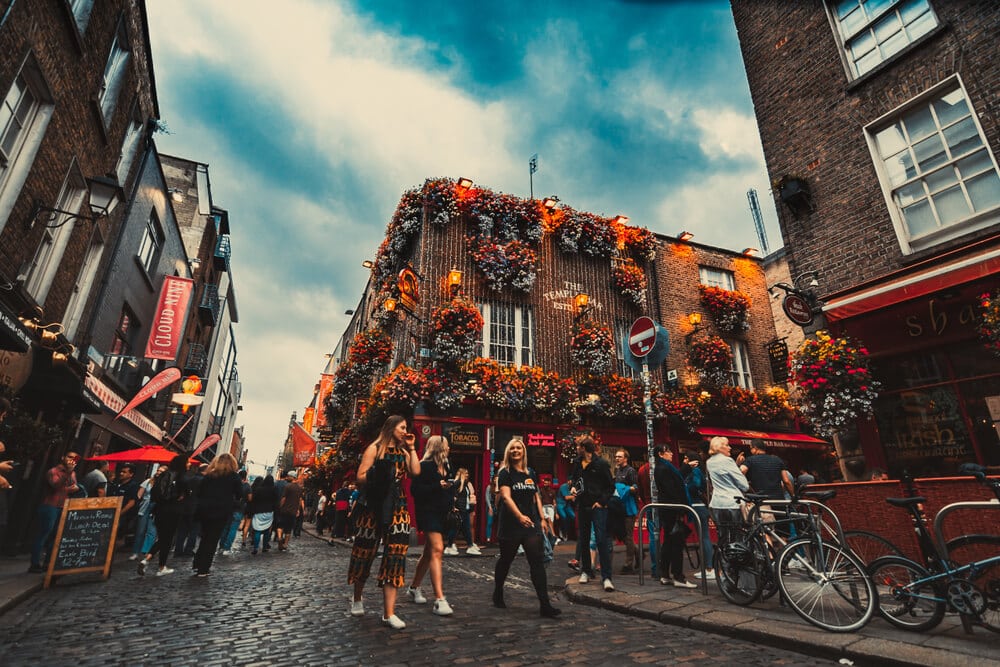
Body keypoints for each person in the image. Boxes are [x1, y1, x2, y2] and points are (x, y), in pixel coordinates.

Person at [347, 415, 421, 630]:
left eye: (406, 427)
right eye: (402, 427)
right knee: (364, 551)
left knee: (395, 555)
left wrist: (413, 448)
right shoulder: (375, 449)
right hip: (374, 504)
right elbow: (360, 476)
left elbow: (415, 472)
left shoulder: (404, 452)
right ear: (390, 427)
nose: (404, 430)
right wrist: (377, 475)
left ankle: (389, 613)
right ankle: (357, 599)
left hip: (397, 506)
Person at [492, 438, 561, 618]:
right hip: (511, 524)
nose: (515, 451)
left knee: (536, 562)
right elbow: (506, 497)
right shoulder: (505, 473)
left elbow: (536, 496)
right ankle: (498, 591)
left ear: (523, 451)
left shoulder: (531, 472)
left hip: (530, 524)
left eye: (519, 448)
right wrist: (519, 516)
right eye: (512, 448)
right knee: (506, 560)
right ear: (508, 452)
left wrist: (542, 518)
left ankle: (545, 605)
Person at [406, 435, 455, 617]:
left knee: (428, 552)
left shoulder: (448, 466)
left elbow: (448, 490)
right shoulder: (424, 465)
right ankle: (439, 599)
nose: (449, 449)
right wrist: (437, 486)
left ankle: (414, 587)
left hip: (442, 513)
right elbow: (415, 491)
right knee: (437, 549)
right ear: (439, 447)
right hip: (428, 512)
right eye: (447, 446)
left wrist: (450, 490)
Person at [573, 435, 615, 591]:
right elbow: (575, 479)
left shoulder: (601, 464)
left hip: (597, 507)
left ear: (584, 448)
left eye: (578, 446)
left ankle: (606, 577)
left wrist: (602, 502)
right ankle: (586, 571)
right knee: (583, 540)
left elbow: (610, 486)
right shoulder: (577, 463)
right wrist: (574, 487)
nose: (576, 449)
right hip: (582, 505)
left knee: (601, 540)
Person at [29, 451, 81, 573]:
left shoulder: (72, 473)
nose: (72, 460)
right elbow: (56, 485)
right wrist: (68, 478)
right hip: (50, 506)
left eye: (75, 458)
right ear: (63, 457)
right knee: (44, 534)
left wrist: (69, 486)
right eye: (70, 457)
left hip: (63, 506)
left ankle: (48, 563)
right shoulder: (54, 471)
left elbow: (76, 487)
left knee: (56, 536)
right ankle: (34, 564)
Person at [138, 454, 189, 577]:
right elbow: (183, 495)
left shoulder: (163, 474)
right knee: (167, 539)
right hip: (172, 511)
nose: (189, 464)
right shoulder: (181, 477)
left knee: (163, 537)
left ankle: (147, 559)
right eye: (187, 462)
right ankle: (160, 566)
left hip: (159, 510)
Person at [193, 453, 243, 576]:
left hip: (205, 510)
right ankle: (203, 568)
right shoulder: (234, 477)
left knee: (205, 537)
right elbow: (239, 494)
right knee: (212, 539)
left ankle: (197, 563)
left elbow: (199, 492)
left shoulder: (209, 475)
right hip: (221, 511)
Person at [654, 444, 696, 588]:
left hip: (669, 509)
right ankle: (678, 576)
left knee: (669, 542)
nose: (671, 453)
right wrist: (680, 508)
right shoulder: (663, 468)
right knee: (676, 542)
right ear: (661, 454)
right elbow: (673, 487)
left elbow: (675, 480)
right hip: (672, 510)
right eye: (668, 451)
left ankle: (665, 574)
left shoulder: (664, 467)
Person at [706, 436, 749, 551]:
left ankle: (723, 566)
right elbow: (744, 485)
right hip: (732, 502)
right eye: (727, 445)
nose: (729, 448)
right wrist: (737, 468)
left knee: (723, 538)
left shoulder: (709, 462)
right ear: (719, 447)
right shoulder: (727, 461)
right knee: (737, 538)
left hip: (716, 503)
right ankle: (737, 566)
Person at [682, 448, 714, 581]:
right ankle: (708, 568)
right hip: (700, 506)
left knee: (704, 537)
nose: (684, 460)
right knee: (704, 537)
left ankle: (709, 568)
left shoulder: (695, 471)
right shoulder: (698, 470)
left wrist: (685, 485)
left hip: (698, 506)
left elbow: (696, 485)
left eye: (685, 458)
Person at [444, 468, 481, 556]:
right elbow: (450, 493)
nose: (468, 475)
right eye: (466, 473)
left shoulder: (464, 484)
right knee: (455, 528)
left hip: (465, 509)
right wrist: (453, 506)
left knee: (465, 529)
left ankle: (469, 546)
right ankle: (450, 547)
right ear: (462, 474)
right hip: (460, 509)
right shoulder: (458, 483)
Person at [613, 449, 639, 573]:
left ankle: (628, 564)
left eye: (619, 456)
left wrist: (625, 489)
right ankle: (639, 553)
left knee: (628, 536)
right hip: (619, 508)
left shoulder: (631, 471)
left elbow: (635, 487)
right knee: (623, 536)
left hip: (629, 507)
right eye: (616, 456)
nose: (617, 458)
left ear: (625, 458)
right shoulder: (617, 470)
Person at [219, 469, 248, 555]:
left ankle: (221, 546)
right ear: (245, 477)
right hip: (239, 509)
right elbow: (250, 498)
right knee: (233, 529)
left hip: (229, 508)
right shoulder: (246, 486)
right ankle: (227, 548)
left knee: (226, 528)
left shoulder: (231, 483)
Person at [111, 464, 141, 547]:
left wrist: (120, 513)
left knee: (118, 534)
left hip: (124, 515)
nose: (121, 473)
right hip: (112, 512)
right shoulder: (117, 483)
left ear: (131, 474)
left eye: (124, 472)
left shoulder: (133, 486)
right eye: (121, 471)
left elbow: (132, 502)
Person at [248, 474, 278, 554]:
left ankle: (256, 548)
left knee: (257, 530)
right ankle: (264, 547)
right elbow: (276, 501)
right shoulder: (274, 490)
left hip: (258, 512)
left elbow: (254, 501)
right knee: (266, 531)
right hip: (269, 512)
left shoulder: (259, 489)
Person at [276, 470, 304, 551]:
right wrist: (298, 510)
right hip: (293, 512)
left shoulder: (287, 486)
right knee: (288, 529)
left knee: (280, 526)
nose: (287, 477)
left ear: (292, 477)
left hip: (284, 510)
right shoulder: (299, 488)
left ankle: (280, 538)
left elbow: (283, 498)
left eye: (289, 476)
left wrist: (280, 506)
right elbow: (299, 500)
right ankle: (285, 545)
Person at [555, 478, 575, 543]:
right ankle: (563, 531)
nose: (572, 482)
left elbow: (573, 499)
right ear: (568, 481)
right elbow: (566, 497)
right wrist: (575, 495)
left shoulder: (573, 487)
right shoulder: (564, 486)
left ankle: (569, 533)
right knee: (563, 516)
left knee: (573, 516)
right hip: (560, 503)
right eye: (571, 481)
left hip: (567, 505)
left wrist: (574, 496)